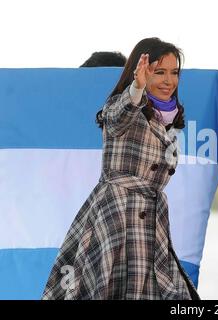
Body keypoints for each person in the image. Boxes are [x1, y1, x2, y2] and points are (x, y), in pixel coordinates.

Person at [42, 37, 200, 300]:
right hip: (116, 217)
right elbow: (117, 117)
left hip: (151, 222)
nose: (168, 80)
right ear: (140, 73)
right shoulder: (122, 108)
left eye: (174, 72)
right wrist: (136, 87)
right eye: (158, 72)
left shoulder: (169, 122)